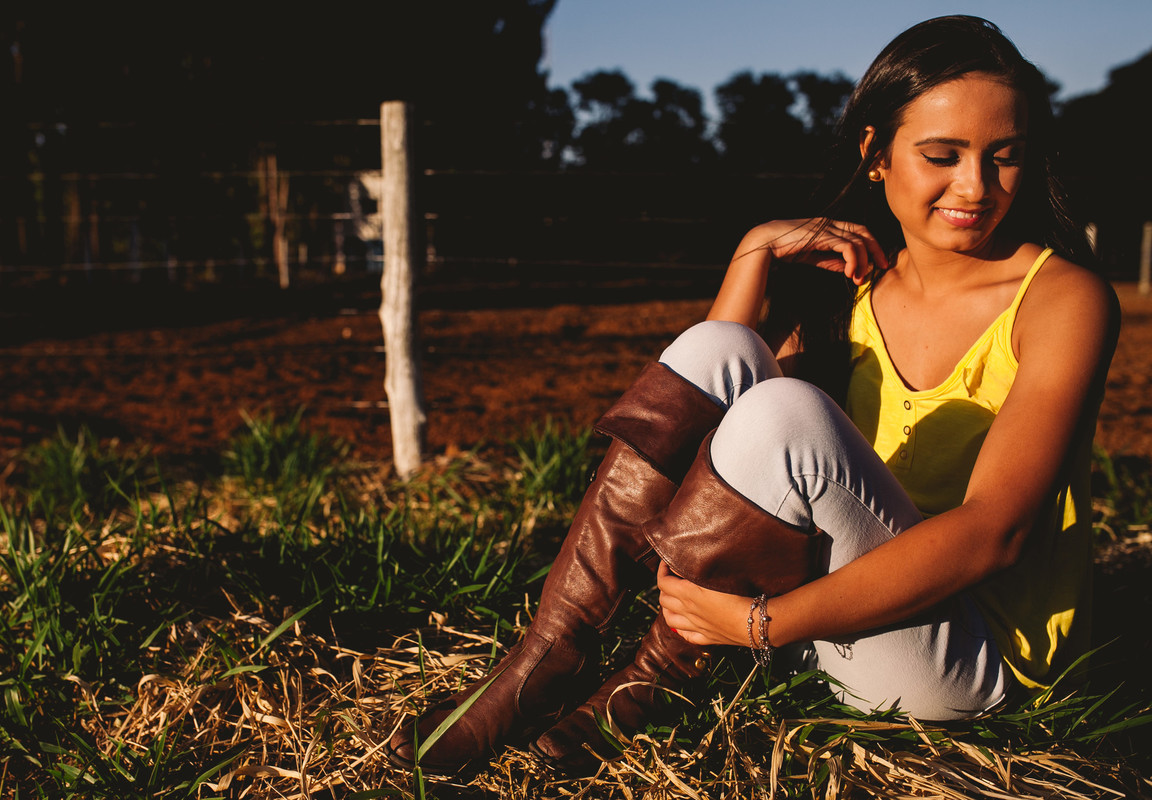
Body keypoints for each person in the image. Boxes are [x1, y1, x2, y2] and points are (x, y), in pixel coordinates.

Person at [387, 15, 1119, 776]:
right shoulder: (855, 292)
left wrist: (759, 625)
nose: (975, 186)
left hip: (970, 665)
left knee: (783, 411)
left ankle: (662, 676)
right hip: (836, 628)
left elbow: (994, 533)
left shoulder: (1062, 298)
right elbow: (710, 426)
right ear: (877, 154)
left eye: (1005, 157)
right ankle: (548, 663)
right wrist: (754, 253)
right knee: (721, 348)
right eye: (943, 155)